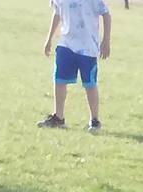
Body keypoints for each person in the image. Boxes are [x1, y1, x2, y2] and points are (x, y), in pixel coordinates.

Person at [38, 0, 112, 132]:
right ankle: (58, 117)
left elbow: (106, 14)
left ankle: (94, 120)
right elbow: (57, 13)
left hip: (88, 47)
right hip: (66, 43)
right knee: (59, 79)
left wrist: (106, 40)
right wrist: (49, 39)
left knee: (89, 83)